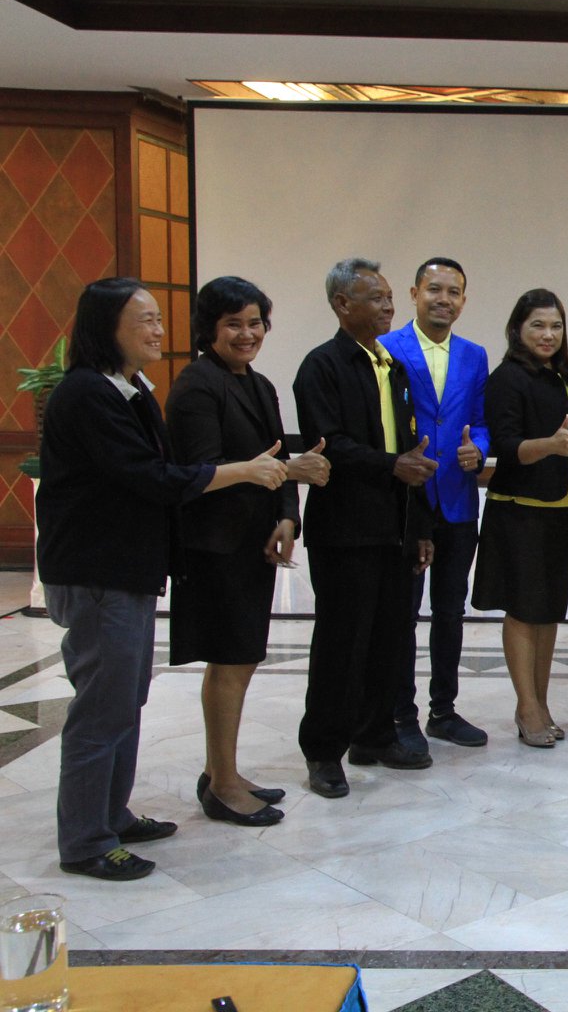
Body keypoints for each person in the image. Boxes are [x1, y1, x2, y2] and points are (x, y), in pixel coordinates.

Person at [38, 277, 288, 880]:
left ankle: (111, 814)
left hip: (127, 569)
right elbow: (153, 477)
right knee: (103, 708)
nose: (158, 330)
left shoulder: (128, 389)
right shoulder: (87, 394)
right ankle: (86, 841)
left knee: (125, 700)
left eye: (157, 318)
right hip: (98, 570)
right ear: (108, 328)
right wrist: (247, 472)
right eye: (145, 320)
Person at [167, 276, 330, 827]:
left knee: (241, 658)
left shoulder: (258, 384)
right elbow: (199, 472)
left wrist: (286, 514)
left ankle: (222, 771)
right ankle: (222, 784)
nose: (247, 334)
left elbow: (274, 455)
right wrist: (284, 470)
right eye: (233, 324)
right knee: (231, 660)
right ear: (208, 329)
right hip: (215, 547)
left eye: (255, 322)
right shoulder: (197, 385)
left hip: (252, 543)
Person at [293, 259, 436, 799]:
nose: (388, 306)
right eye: (375, 298)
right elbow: (328, 444)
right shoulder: (321, 367)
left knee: (389, 639)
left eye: (388, 297)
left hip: (395, 528)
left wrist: (420, 526)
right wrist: (393, 466)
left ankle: (374, 736)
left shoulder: (392, 366)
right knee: (341, 643)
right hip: (345, 531)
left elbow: (410, 451)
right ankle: (323, 751)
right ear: (341, 304)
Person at [379, 257, 491, 750]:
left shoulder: (474, 355)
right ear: (414, 294)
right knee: (402, 614)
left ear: (463, 300)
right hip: (406, 503)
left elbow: (479, 421)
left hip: (458, 502)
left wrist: (478, 450)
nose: (444, 299)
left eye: (454, 292)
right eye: (434, 289)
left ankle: (443, 711)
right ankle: (400, 713)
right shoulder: (387, 348)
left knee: (450, 611)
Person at [471, 289, 568, 747]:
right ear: (518, 329)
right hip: (521, 509)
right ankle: (526, 707)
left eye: (556, 326)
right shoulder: (507, 377)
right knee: (523, 610)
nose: (548, 334)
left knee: (548, 611)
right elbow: (506, 446)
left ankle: (542, 701)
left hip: (566, 506)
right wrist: (551, 446)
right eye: (538, 325)